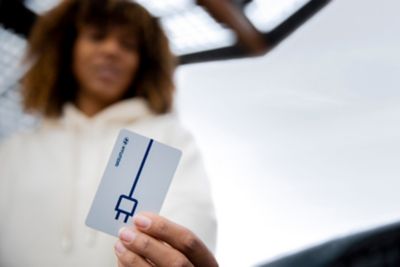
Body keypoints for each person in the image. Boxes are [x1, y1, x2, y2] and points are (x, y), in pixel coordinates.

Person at [0, 0, 218, 266]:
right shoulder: (15, 150)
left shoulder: (168, 136)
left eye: (128, 44)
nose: (112, 50)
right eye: (97, 37)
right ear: (68, 49)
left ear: (142, 63)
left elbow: (191, 214)